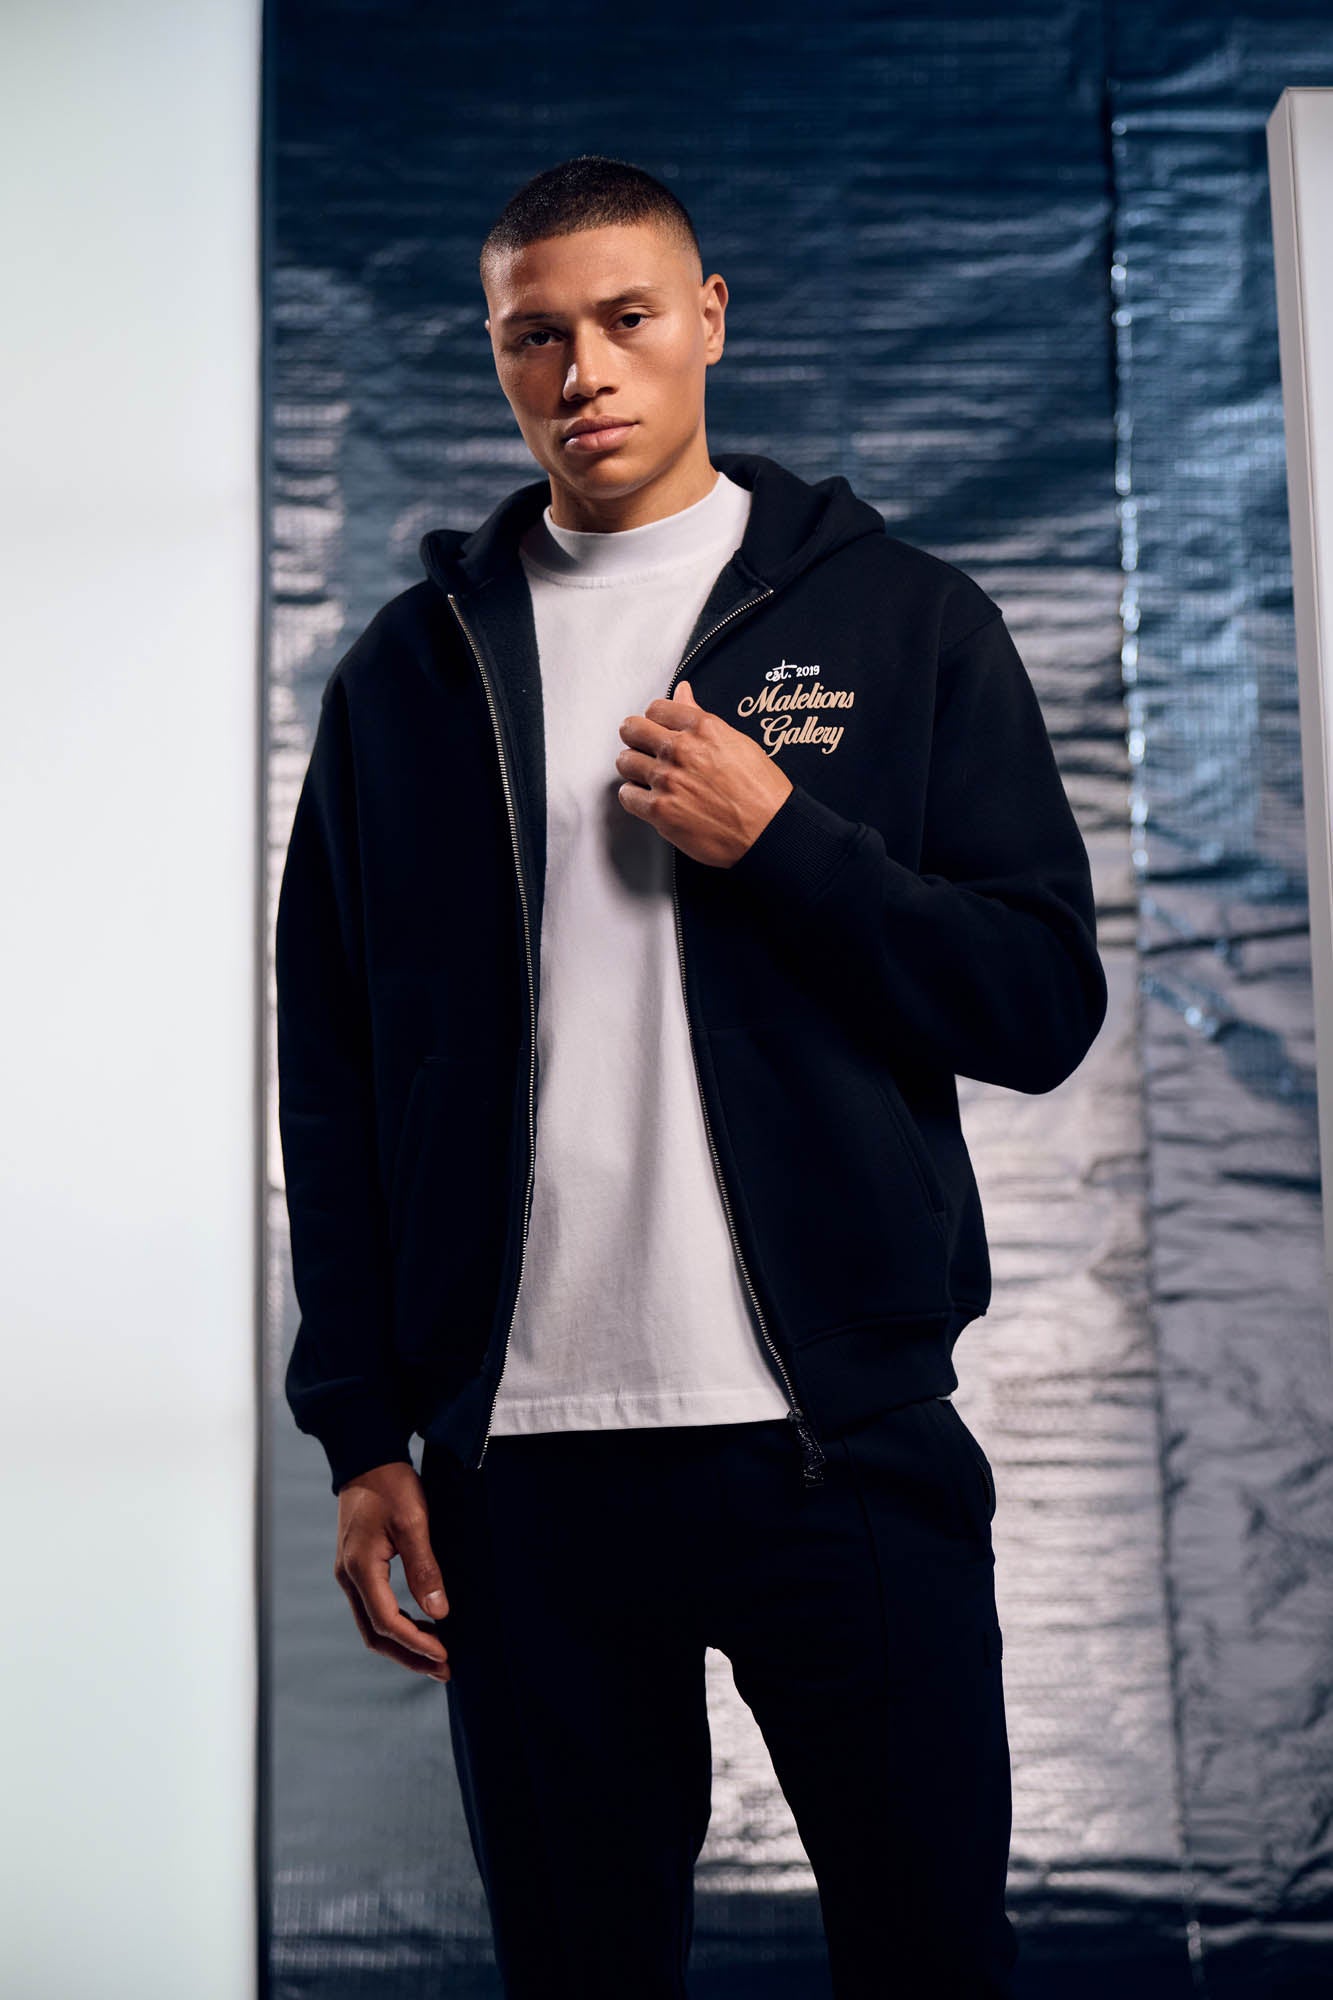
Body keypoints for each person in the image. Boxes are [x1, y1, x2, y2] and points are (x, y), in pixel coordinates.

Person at [275, 152, 1107, 1999]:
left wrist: (786, 843)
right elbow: (331, 1081)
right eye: (535, 337)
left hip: (837, 1447)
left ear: (708, 319)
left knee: (928, 1964)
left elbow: (1039, 1004)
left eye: (627, 319)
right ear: (498, 355)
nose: (583, 371)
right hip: (521, 1477)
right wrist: (362, 1434)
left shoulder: (903, 622)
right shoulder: (407, 679)